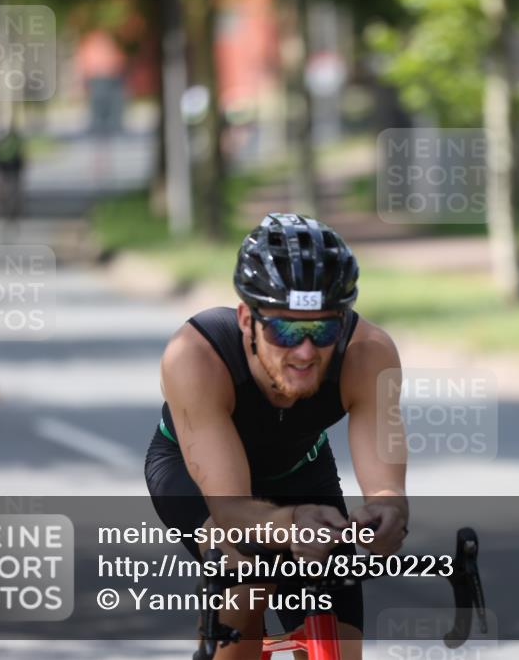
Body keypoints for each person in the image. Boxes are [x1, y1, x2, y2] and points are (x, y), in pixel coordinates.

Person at [145, 213, 408, 660]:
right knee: (248, 584)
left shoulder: (368, 354)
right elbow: (230, 508)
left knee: (339, 641)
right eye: (285, 330)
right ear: (247, 320)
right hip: (195, 478)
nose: (305, 352)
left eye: (323, 329)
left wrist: (387, 513)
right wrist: (288, 524)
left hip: (301, 472)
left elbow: (386, 489)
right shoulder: (195, 356)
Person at [0, 126, 25, 225]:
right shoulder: (15, 139)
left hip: (2, 168)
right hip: (13, 167)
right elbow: (21, 153)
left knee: (2, 188)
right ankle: (15, 210)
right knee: (14, 189)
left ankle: (2, 210)